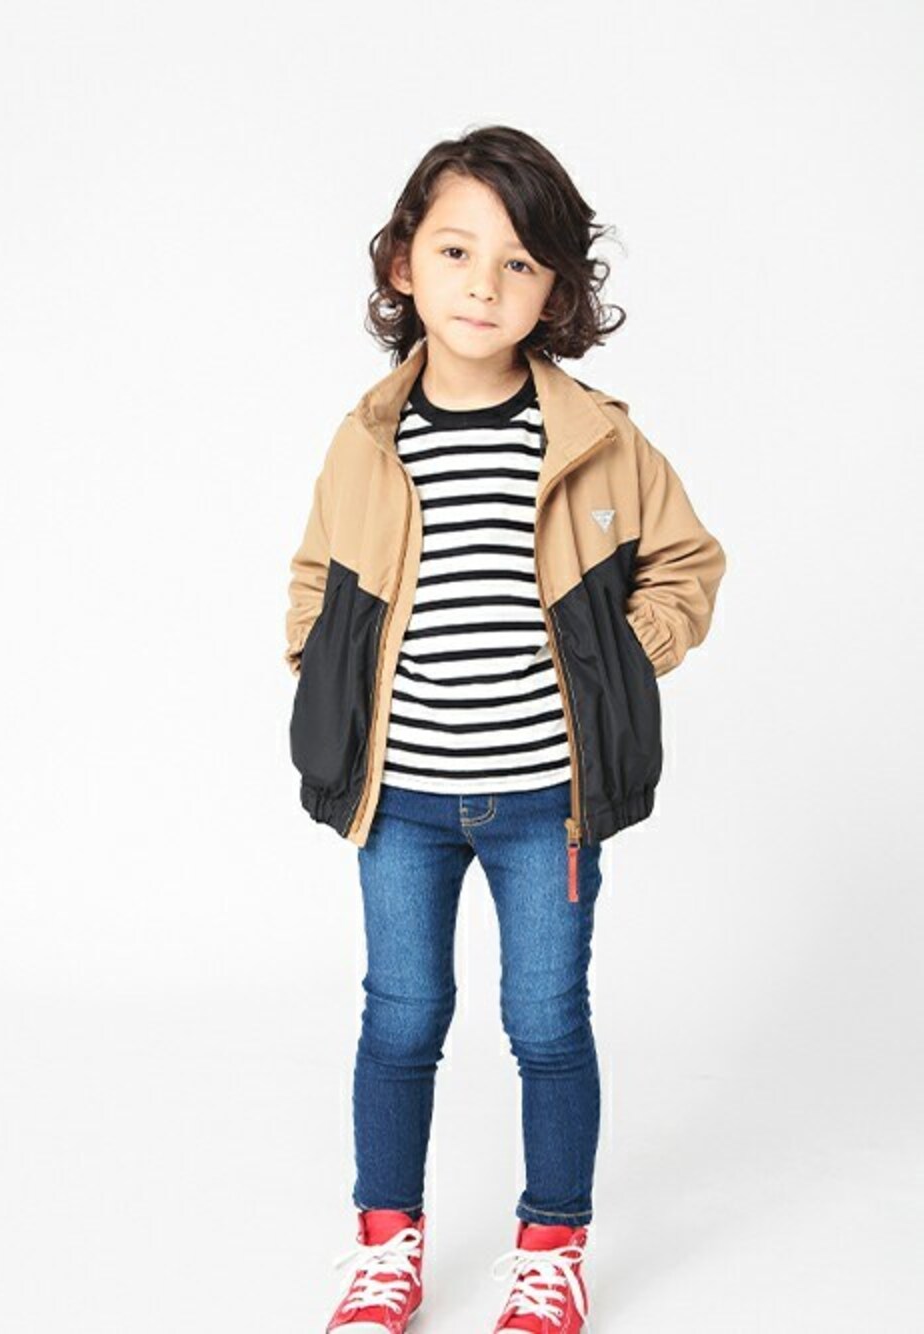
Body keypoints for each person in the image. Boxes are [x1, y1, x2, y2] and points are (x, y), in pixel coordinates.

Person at [283, 124, 727, 1333]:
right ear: (402, 263)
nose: (484, 283)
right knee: (399, 1018)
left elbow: (686, 560)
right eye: (455, 250)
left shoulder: (596, 437)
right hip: (399, 800)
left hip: (547, 803)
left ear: (556, 289)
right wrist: (323, 673)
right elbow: (317, 577)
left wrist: (621, 662)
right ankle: (386, 1249)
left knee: (545, 1022)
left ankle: (551, 1246)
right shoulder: (368, 438)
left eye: (520, 261)